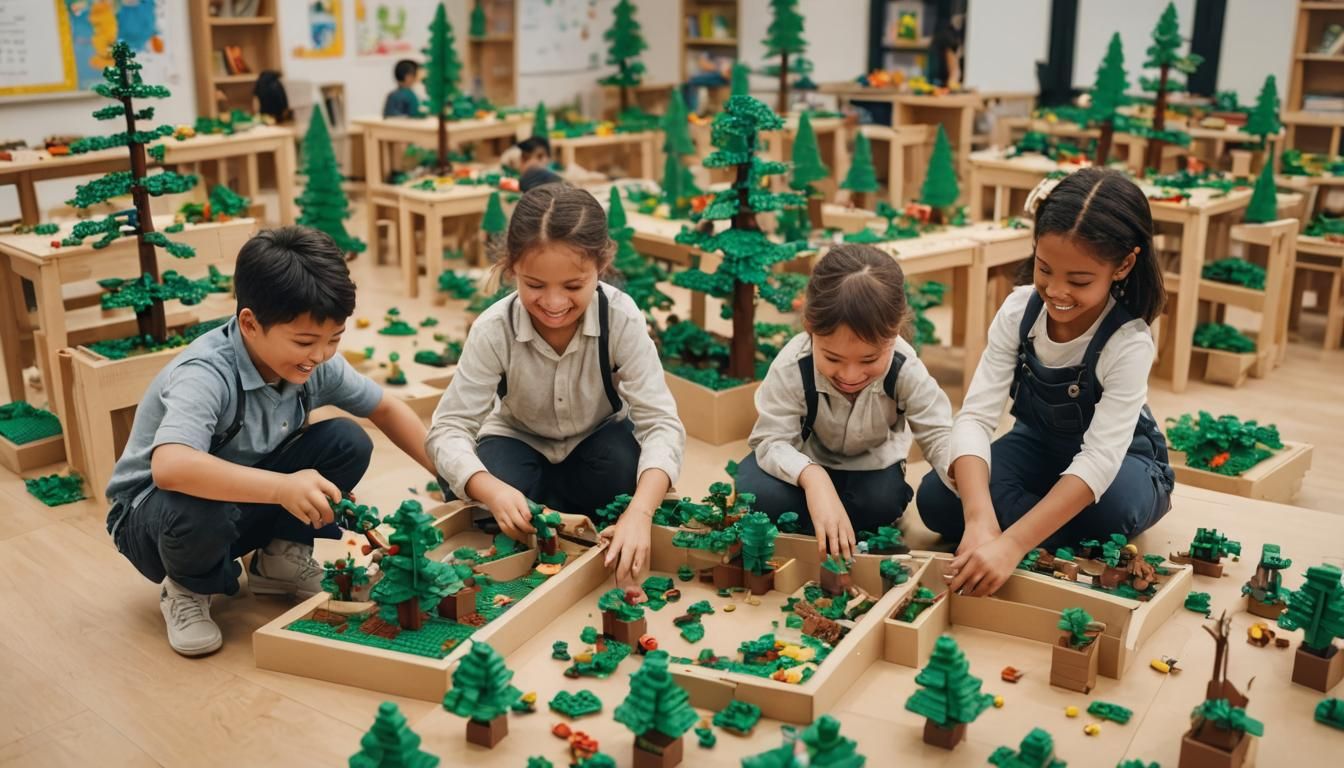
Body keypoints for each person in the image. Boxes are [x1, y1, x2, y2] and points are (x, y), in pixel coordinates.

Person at [104, 227, 437, 657]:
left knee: (346, 440)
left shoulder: (312, 364)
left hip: (235, 502)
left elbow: (386, 409)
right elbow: (171, 468)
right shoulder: (205, 373)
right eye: (304, 341)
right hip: (154, 517)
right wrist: (282, 488)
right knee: (195, 504)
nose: (319, 355)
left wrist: (450, 473)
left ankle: (279, 559)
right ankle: (186, 587)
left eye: (334, 339)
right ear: (249, 323)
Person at [916, 167, 1175, 597]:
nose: (1056, 292)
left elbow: (1098, 460)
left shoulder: (1128, 342)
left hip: (1123, 462)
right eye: (1044, 269)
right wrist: (979, 520)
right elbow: (976, 418)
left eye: (1079, 280)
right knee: (936, 498)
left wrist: (1012, 544)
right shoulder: (1020, 311)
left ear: (1124, 264)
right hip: (1038, 446)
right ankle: (1037, 525)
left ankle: (1024, 528)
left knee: (1113, 508)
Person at [426, 184, 685, 590]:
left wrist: (640, 514)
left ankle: (544, 510)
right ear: (510, 267)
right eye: (534, 285)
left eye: (572, 286)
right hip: (518, 442)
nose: (553, 303)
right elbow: (448, 428)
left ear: (601, 266)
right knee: (482, 476)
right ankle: (535, 507)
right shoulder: (494, 328)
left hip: (597, 444)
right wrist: (491, 489)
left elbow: (661, 423)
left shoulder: (621, 317)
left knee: (624, 467)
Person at [736, 244, 953, 561]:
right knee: (757, 492)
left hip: (871, 469)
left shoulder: (905, 368)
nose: (851, 375)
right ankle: (825, 513)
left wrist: (969, 495)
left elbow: (939, 434)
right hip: (804, 464)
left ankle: (836, 519)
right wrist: (814, 479)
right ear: (810, 328)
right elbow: (770, 441)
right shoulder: (792, 366)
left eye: (869, 359)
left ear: (893, 334)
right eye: (833, 358)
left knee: (880, 504)